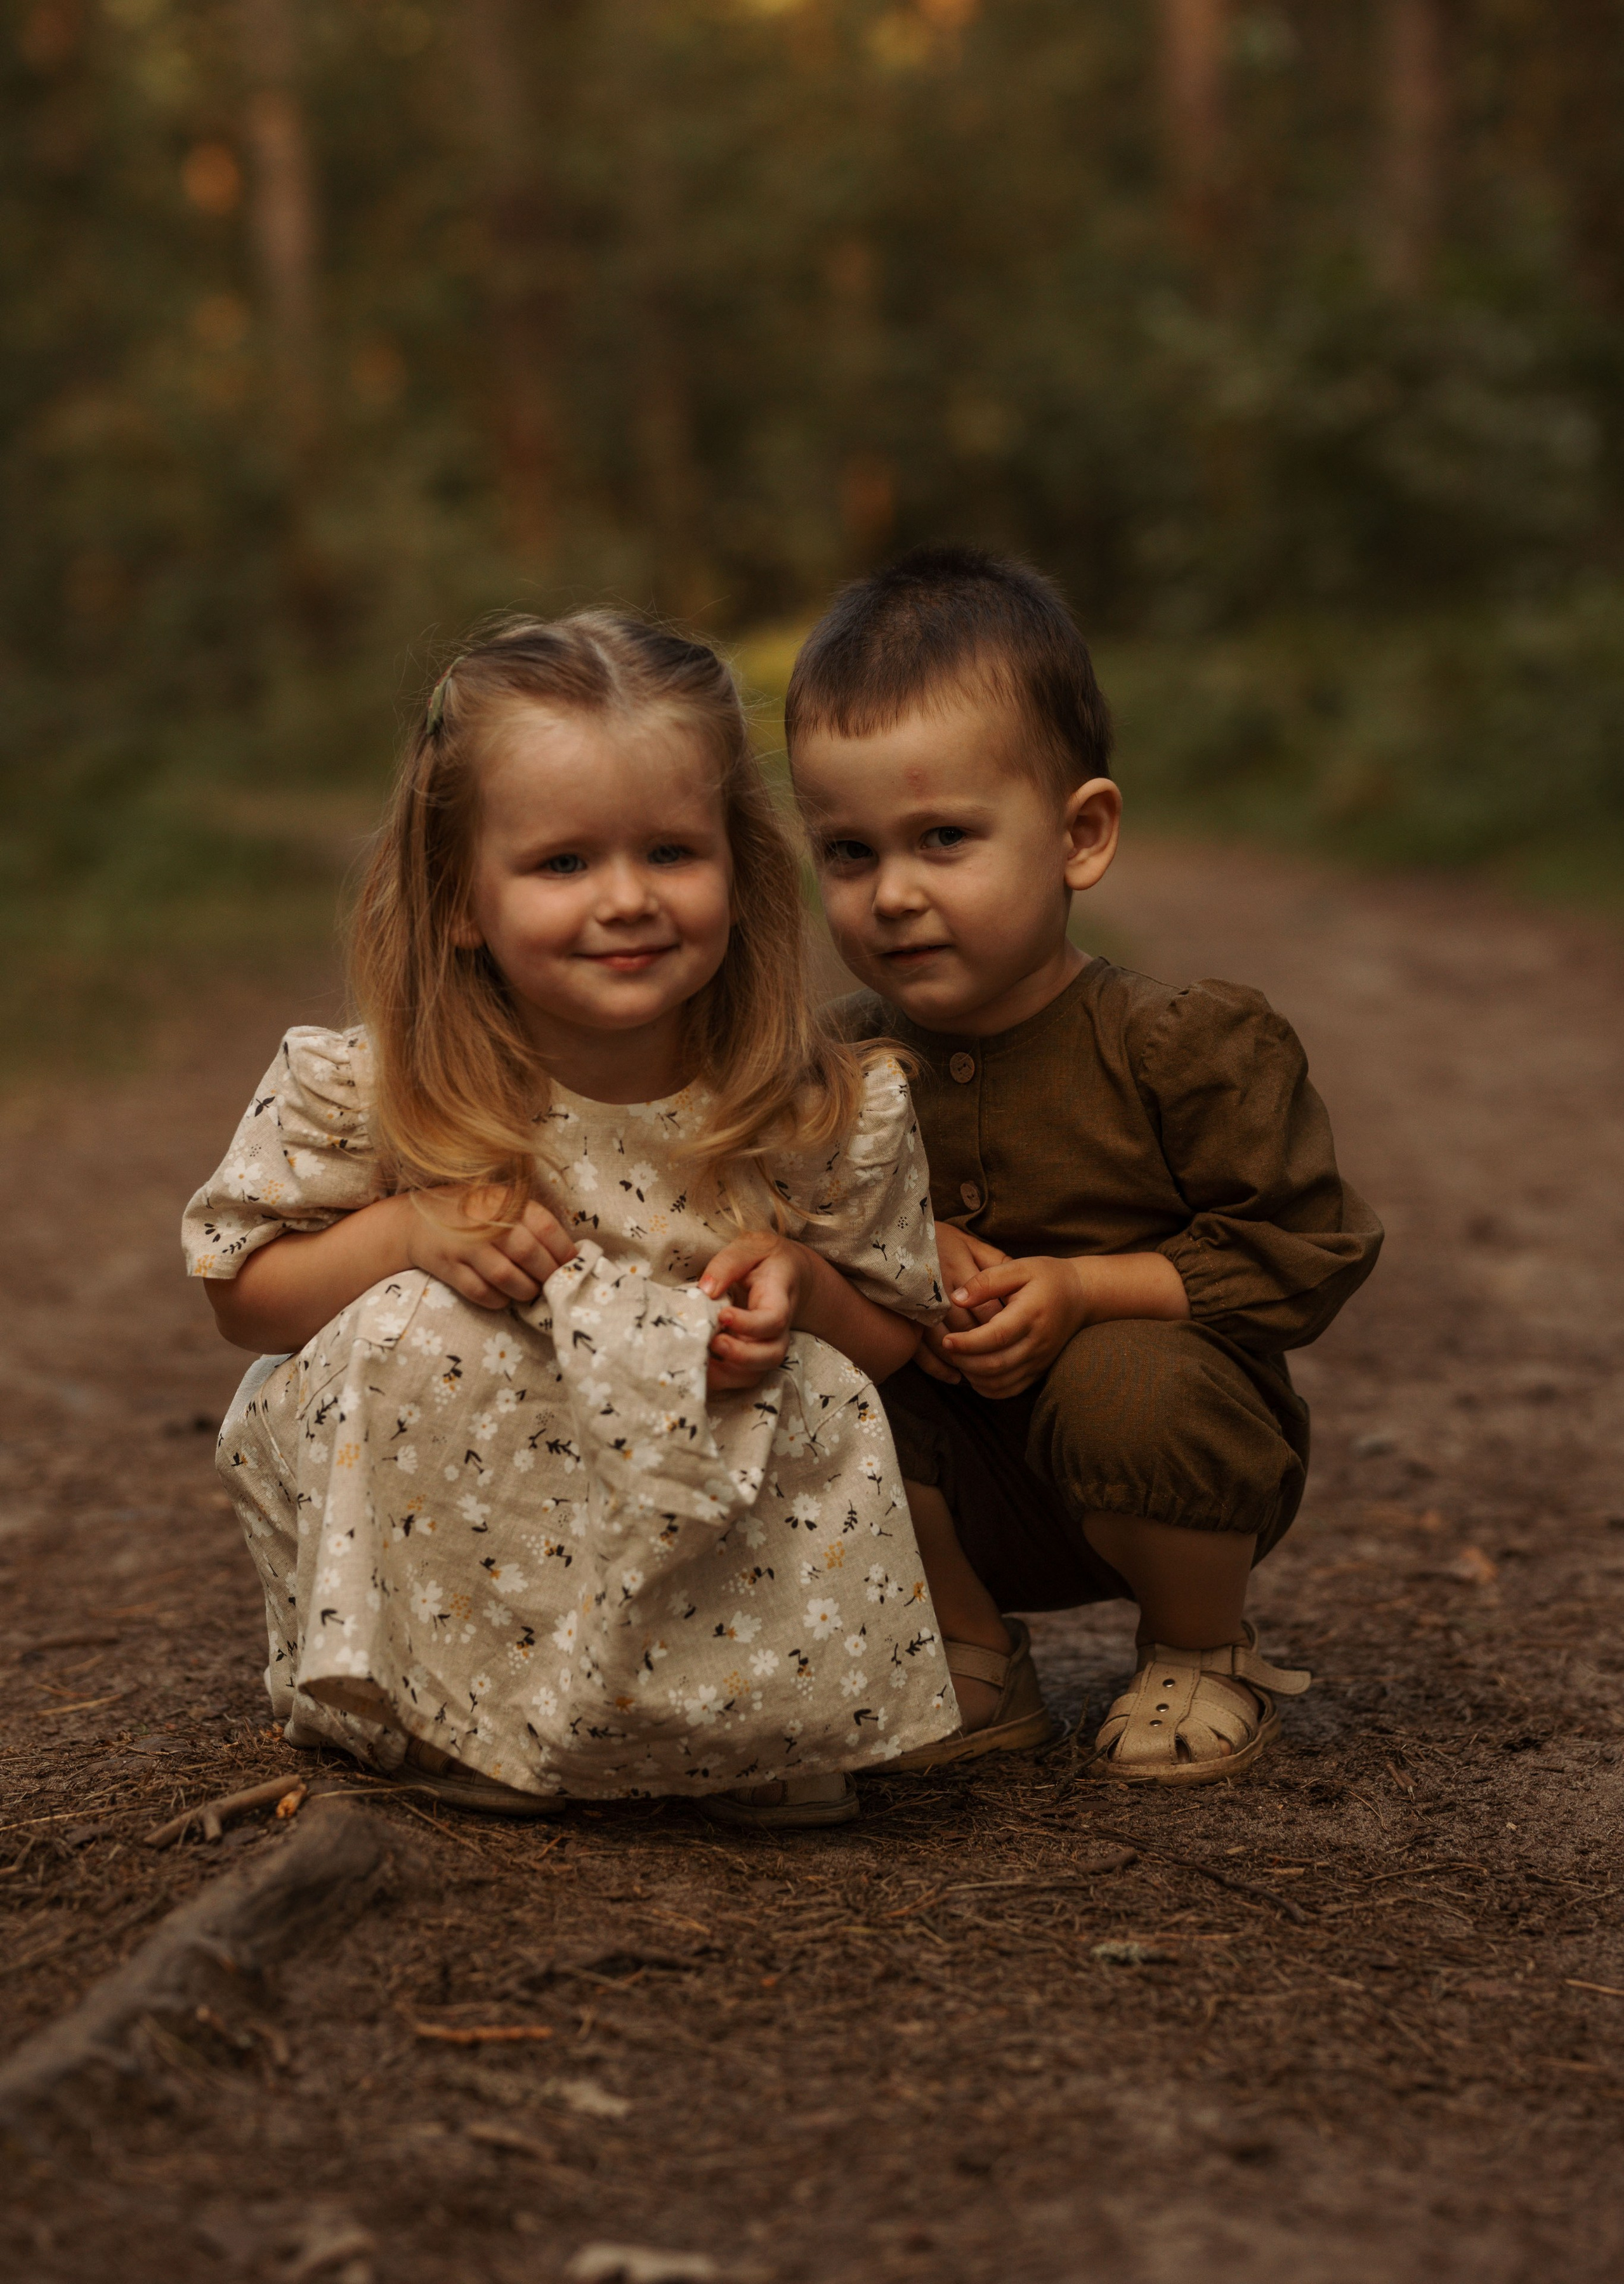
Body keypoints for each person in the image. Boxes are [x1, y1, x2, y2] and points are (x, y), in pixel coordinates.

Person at [183, 613, 958, 1828]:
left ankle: (740, 1724)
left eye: (670, 852)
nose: (627, 900)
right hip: (476, 1521)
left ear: (741, 870)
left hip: (698, 1495)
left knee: (812, 1388)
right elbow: (243, 1296)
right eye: (562, 864)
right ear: (460, 900)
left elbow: (900, 1345)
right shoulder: (382, 1088)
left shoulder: (809, 1107)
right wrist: (405, 1235)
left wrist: (804, 1288)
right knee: (413, 1330)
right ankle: (459, 1715)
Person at [784, 548, 1384, 1785]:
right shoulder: (825, 1065)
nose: (892, 895)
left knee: (1128, 1376)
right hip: (946, 1476)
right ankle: (964, 1656)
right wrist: (881, 1255)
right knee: (795, 1353)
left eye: (944, 839)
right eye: (849, 853)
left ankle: (1198, 1651)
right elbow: (758, 1219)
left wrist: (1080, 1291)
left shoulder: (1177, 1047)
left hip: (1163, 1463)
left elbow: (1300, 1258)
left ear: (1079, 835)